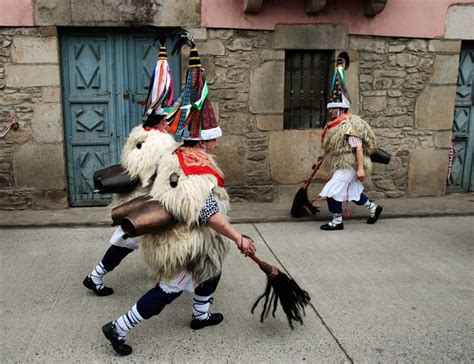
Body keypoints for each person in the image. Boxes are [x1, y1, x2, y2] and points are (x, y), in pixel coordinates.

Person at [83, 45, 178, 296]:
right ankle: (99, 276)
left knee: (130, 239)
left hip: (134, 196)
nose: (170, 122)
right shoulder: (161, 141)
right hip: (146, 200)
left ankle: (99, 275)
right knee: (137, 239)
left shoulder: (140, 133)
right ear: (161, 120)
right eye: (167, 118)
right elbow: (155, 173)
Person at [316, 52, 383, 231]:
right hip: (344, 163)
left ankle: (337, 221)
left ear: (342, 108)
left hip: (351, 163)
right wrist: (322, 158)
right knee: (353, 191)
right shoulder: (333, 125)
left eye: (334, 108)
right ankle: (374, 208)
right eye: (329, 108)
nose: (330, 111)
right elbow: (333, 147)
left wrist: (360, 168)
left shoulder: (350, 124)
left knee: (332, 190)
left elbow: (358, 147)